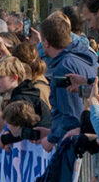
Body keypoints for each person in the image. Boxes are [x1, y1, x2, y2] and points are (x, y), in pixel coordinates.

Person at [41, 14, 96, 149]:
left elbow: (69, 114)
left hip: (74, 144)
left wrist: (51, 138)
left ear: (46, 43)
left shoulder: (64, 68)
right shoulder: (85, 57)